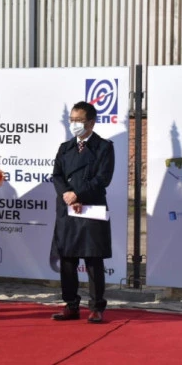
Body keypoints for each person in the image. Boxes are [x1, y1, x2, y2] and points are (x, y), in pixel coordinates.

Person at [50, 100, 114, 324]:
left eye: (79, 120)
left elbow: (102, 178)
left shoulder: (104, 147)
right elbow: (57, 175)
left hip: (91, 209)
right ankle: (71, 304)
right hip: (68, 208)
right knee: (67, 259)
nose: (74, 124)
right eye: (72, 120)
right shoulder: (65, 147)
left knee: (93, 260)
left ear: (91, 123)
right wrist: (67, 195)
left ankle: (96, 307)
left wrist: (78, 195)